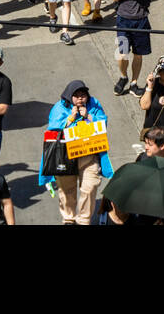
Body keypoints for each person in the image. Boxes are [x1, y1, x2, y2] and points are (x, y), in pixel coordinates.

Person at [40, 80, 115, 225]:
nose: (80, 98)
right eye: (76, 95)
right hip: (65, 157)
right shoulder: (59, 107)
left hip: (89, 156)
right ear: (69, 96)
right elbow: (52, 129)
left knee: (90, 186)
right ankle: (69, 218)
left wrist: (88, 117)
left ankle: (84, 220)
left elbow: (102, 123)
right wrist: (70, 119)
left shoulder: (93, 104)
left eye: (83, 95)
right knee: (67, 191)